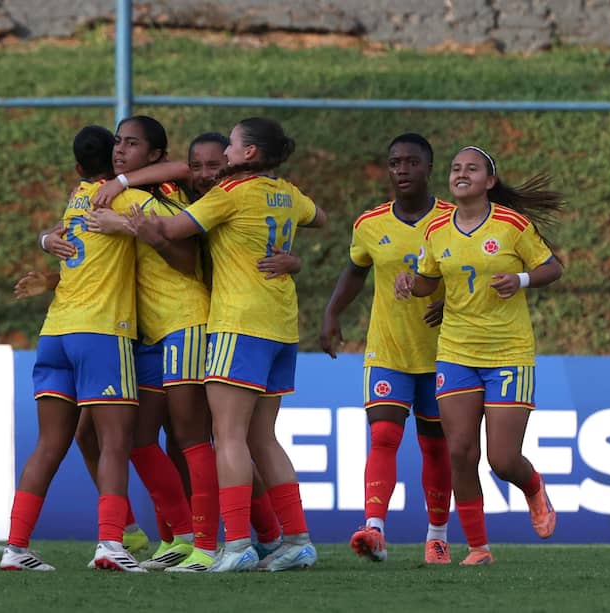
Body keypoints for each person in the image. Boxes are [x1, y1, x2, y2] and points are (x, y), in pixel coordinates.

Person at [122, 117, 327, 572]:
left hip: (240, 323)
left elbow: (172, 232)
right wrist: (288, 252)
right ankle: (296, 540)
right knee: (261, 437)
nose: (224, 156)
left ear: (248, 153)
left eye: (230, 146)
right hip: (281, 325)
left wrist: (141, 224)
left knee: (228, 437)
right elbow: (321, 217)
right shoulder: (288, 192)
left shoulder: (230, 196)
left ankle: (235, 544)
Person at [394, 145, 563, 565]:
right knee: (460, 451)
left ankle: (532, 485)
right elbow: (428, 283)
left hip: (508, 353)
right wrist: (408, 282)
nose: (461, 173)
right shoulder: (436, 230)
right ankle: (478, 549)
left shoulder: (511, 225)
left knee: (503, 459)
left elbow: (553, 266)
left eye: (472, 168)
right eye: (455, 168)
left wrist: (521, 278)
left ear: (489, 181)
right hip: (455, 352)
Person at [0, 125, 149, 572]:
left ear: (79, 167)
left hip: (56, 332)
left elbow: (56, 235)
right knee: (115, 443)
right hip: (103, 331)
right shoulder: (126, 199)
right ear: (118, 162)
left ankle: (15, 547)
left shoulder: (77, 195)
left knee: (48, 445)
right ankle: (109, 543)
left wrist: (45, 240)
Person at [320, 133, 454, 565]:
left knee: (435, 446)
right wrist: (331, 314)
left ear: (429, 168)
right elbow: (355, 271)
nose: (402, 170)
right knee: (383, 436)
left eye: (411, 163)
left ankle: (437, 536)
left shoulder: (453, 220)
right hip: (388, 350)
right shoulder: (370, 223)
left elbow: (476, 274)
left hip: (443, 353)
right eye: (395, 163)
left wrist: (447, 299)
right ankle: (374, 529)